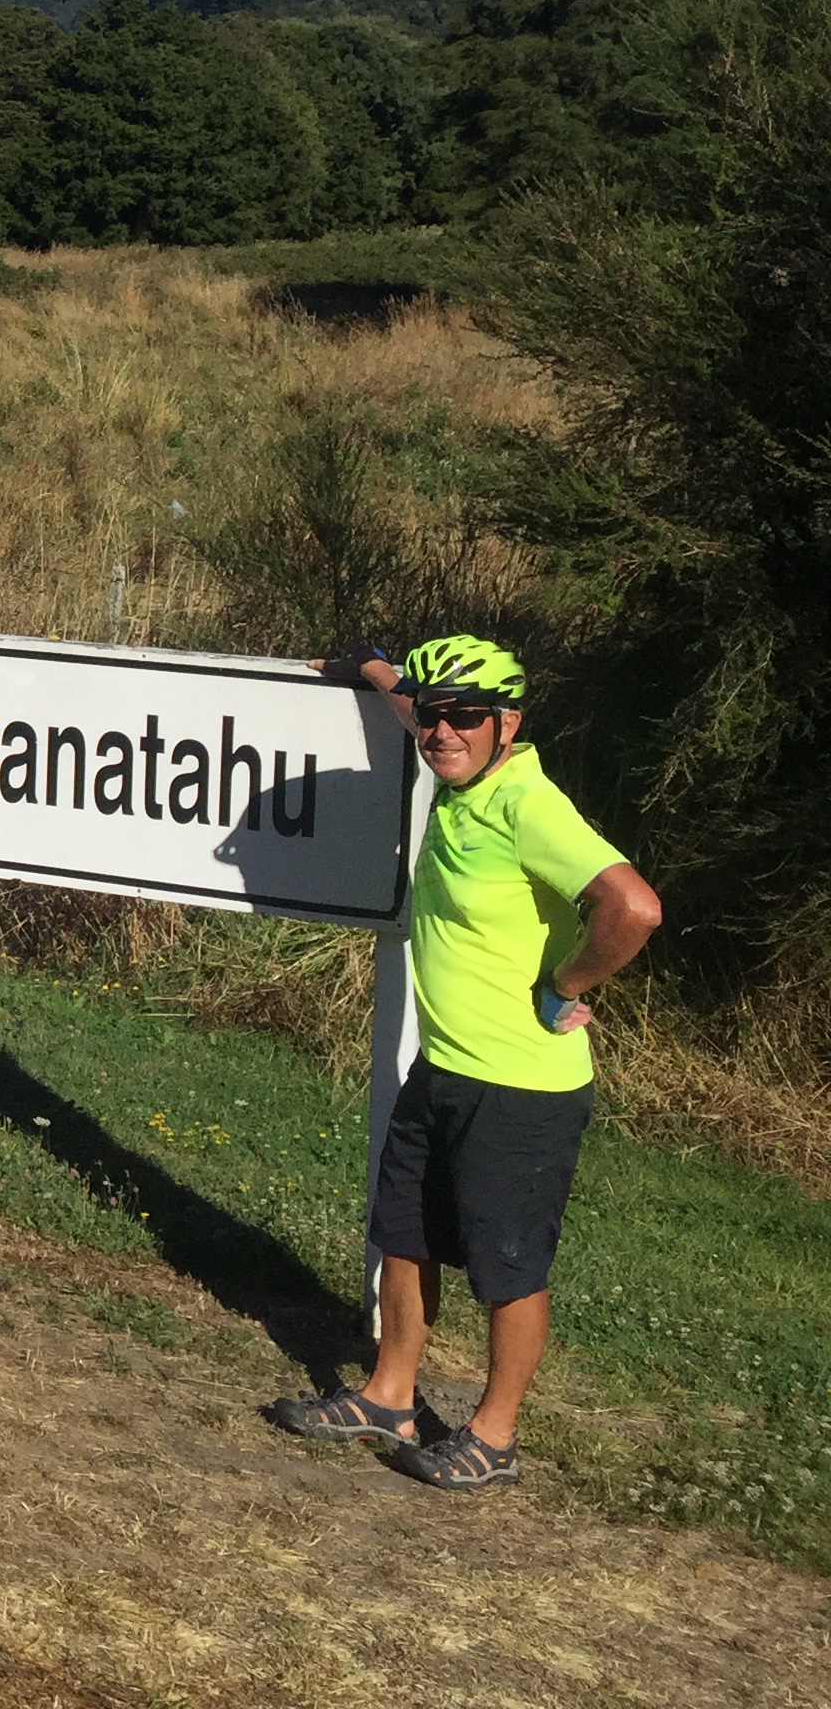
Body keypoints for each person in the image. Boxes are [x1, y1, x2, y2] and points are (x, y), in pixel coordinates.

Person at [269, 633, 662, 1492]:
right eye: (434, 714)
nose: (442, 730)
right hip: (442, 1063)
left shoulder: (527, 805)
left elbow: (633, 908)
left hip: (522, 1089)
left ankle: (494, 1437)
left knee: (507, 1266)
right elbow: (417, 707)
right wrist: (373, 670)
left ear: (507, 724)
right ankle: (390, 1396)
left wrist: (565, 983)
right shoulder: (459, 771)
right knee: (402, 1235)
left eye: (466, 716)